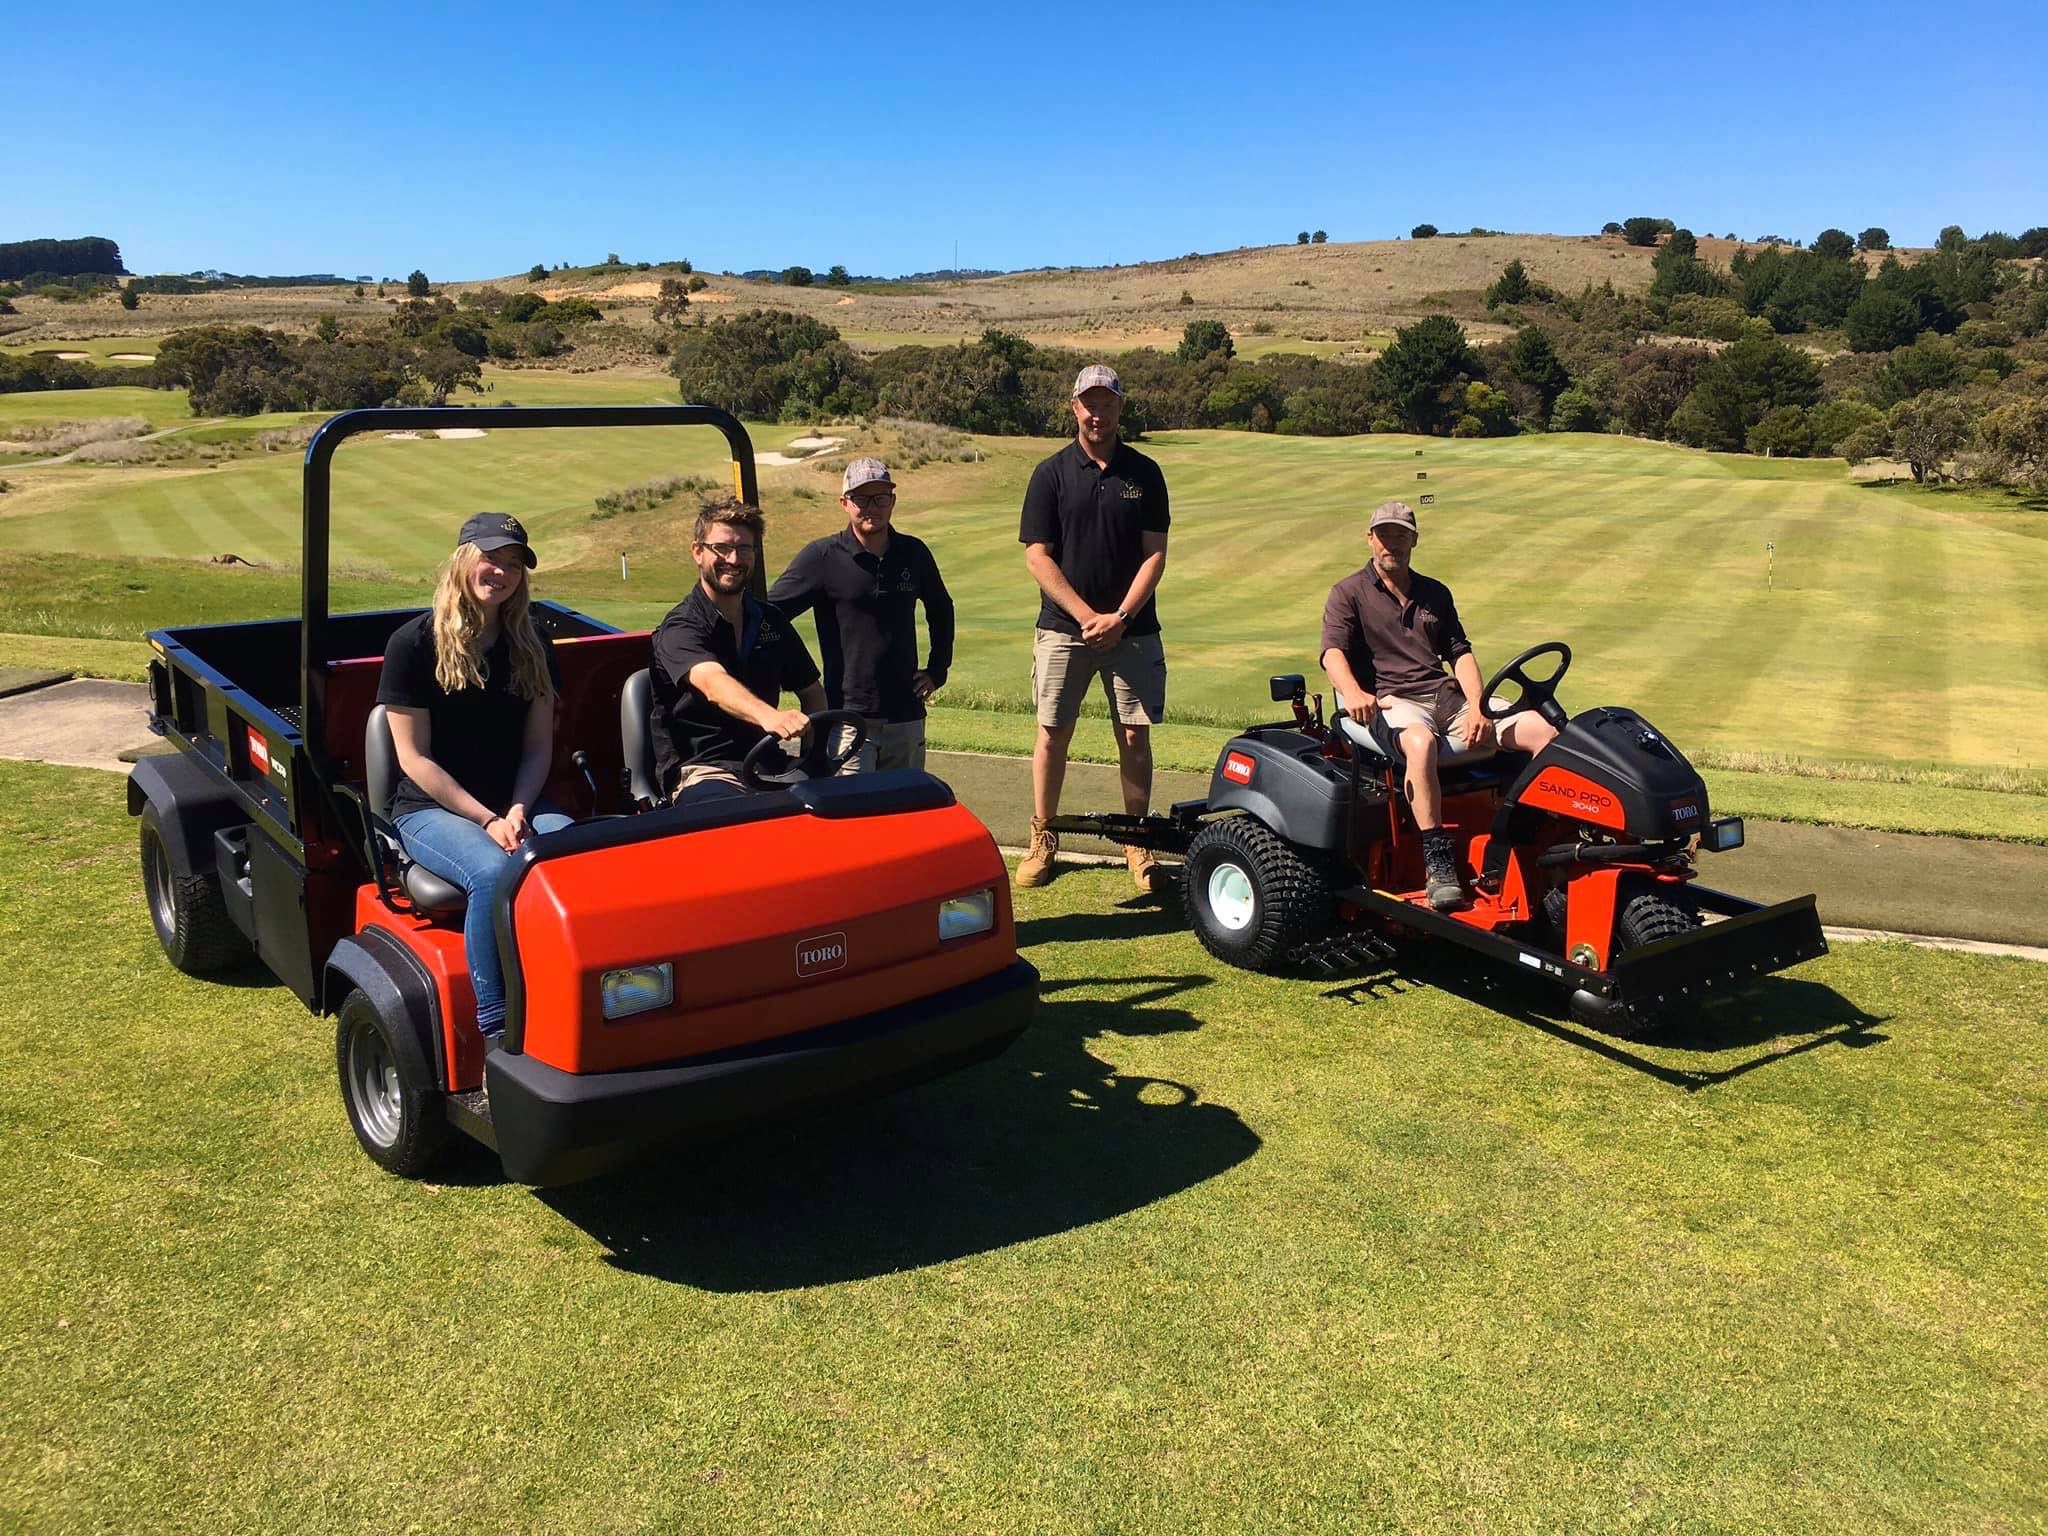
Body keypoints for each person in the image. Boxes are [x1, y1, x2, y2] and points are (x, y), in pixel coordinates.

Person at [377, 513, 572, 1038]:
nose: (501, 572)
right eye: (491, 558)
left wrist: (516, 810)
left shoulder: (532, 644)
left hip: (515, 802)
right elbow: (415, 759)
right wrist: (488, 819)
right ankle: (496, 1029)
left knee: (574, 852)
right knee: (491, 873)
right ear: (464, 559)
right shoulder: (413, 645)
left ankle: (571, 1001)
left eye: (513, 565)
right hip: (428, 808)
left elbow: (538, 748)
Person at [1319, 500, 1558, 910]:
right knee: (1420, 742)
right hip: (1391, 700)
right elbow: (1332, 653)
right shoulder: (1348, 593)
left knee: (1543, 730)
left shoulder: (1434, 592)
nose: (1391, 543)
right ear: (1370, 539)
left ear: (1414, 539)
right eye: (1383, 534)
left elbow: (1460, 653)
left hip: (1445, 696)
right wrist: (1354, 693)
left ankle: (1527, 833)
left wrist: (1480, 706)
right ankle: (1438, 861)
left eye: (1400, 534)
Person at [1016, 364, 1171, 891]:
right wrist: (1087, 617)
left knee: (1134, 736)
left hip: (1134, 627)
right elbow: (1038, 556)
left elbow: (1155, 556)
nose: (1096, 412)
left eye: (1106, 403)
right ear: (1074, 406)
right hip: (1064, 628)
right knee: (1053, 734)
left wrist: (1120, 617)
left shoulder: (1144, 473)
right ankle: (1044, 835)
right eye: (1089, 402)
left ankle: (1137, 839)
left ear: (1119, 408)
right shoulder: (1051, 473)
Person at [767, 457, 954, 773]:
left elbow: (941, 608)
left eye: (880, 497)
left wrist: (938, 669)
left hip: (905, 715)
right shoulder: (822, 556)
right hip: (847, 718)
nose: (872, 506)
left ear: (892, 501)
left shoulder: (913, 552)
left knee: (904, 814)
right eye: (861, 498)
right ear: (844, 503)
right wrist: (799, 678)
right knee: (851, 816)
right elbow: (770, 613)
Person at [649, 501, 827, 799]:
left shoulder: (769, 620)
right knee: (731, 821)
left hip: (767, 763)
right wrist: (769, 716)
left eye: (744, 549)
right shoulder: (681, 627)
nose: (733, 559)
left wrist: (814, 754)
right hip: (704, 771)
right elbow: (712, 683)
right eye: (721, 548)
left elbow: (812, 692)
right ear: (698, 552)